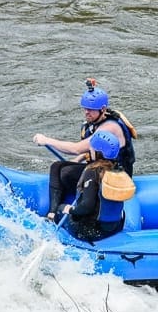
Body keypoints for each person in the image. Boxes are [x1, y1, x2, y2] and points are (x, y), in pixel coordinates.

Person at [33, 79, 137, 221]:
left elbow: (77, 148)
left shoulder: (109, 127)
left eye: (91, 109)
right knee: (57, 166)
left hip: (114, 174)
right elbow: (90, 150)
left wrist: (47, 140)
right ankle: (51, 213)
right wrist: (77, 161)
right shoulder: (96, 122)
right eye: (85, 108)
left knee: (65, 174)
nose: (86, 112)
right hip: (100, 167)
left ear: (103, 109)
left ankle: (59, 211)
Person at [55, 131, 129, 242]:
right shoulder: (119, 169)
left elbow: (86, 206)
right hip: (116, 227)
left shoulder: (92, 171)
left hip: (93, 231)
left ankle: (57, 238)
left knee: (61, 209)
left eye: (92, 148)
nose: (90, 150)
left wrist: (70, 210)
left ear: (98, 152)